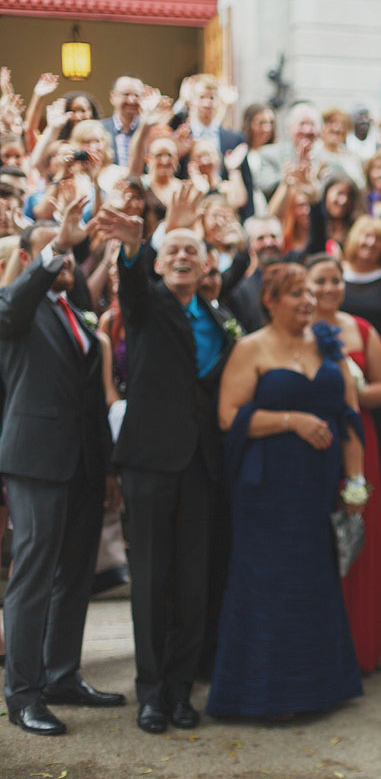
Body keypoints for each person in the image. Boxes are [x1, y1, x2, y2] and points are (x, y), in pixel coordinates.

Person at [99, 209, 238, 734]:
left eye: (192, 251)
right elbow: (132, 285)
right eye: (172, 250)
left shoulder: (218, 317)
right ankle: (151, 694)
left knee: (193, 582)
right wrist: (133, 247)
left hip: (202, 467)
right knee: (153, 581)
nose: (182, 256)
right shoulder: (147, 305)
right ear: (160, 262)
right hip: (151, 463)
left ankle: (182, 692)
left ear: (206, 266)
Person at [208, 262, 365, 717]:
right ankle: (261, 692)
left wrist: (355, 485)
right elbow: (228, 416)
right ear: (270, 301)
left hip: (319, 485)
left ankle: (318, 688)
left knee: (316, 579)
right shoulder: (250, 348)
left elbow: (349, 420)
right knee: (268, 582)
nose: (307, 301)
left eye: (308, 293)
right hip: (267, 487)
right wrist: (290, 421)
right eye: (295, 294)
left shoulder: (330, 346)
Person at [1, 201, 124, 736]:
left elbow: (91, 400)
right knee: (32, 577)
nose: (69, 254)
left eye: (74, 248)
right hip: (36, 461)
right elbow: (11, 305)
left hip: (83, 465)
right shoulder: (18, 309)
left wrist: (108, 471)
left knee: (75, 575)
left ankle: (61, 675)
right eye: (58, 247)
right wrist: (56, 247)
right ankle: (23, 695)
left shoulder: (78, 313)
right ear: (30, 257)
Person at [307, 254, 381, 674]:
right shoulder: (296, 331)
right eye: (320, 280)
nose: (329, 288)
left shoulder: (362, 329)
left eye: (336, 280)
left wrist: (348, 396)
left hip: (360, 438)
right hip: (311, 441)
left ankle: (362, 644)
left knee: (358, 535)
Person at [339, 215, 381, 538]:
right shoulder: (336, 276)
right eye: (364, 237)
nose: (369, 244)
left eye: (376, 238)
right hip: (339, 378)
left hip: (380, 379)